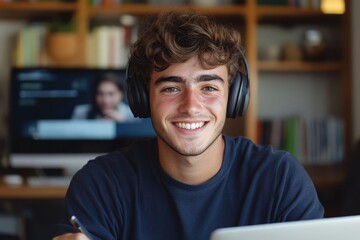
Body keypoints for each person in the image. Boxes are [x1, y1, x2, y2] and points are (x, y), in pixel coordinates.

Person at [53, 10, 324, 240]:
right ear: (142, 99)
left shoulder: (279, 180)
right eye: (171, 88)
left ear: (234, 98)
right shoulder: (101, 184)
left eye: (208, 87)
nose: (191, 106)